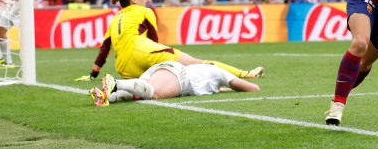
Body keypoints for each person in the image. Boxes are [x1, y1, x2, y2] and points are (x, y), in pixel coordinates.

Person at [81, 0, 264, 80]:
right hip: (141, 52)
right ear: (135, 0)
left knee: (162, 82)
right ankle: (245, 74)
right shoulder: (145, 10)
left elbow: (105, 48)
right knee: (197, 64)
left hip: (123, 68)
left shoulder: (115, 19)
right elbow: (153, 39)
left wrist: (93, 74)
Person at [88, 61, 260, 107]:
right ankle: (115, 82)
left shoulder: (208, 74)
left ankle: (108, 95)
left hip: (167, 69)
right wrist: (233, 84)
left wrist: (224, 88)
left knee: (138, 94)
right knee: (153, 93)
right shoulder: (219, 71)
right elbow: (253, 88)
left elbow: (219, 87)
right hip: (182, 77)